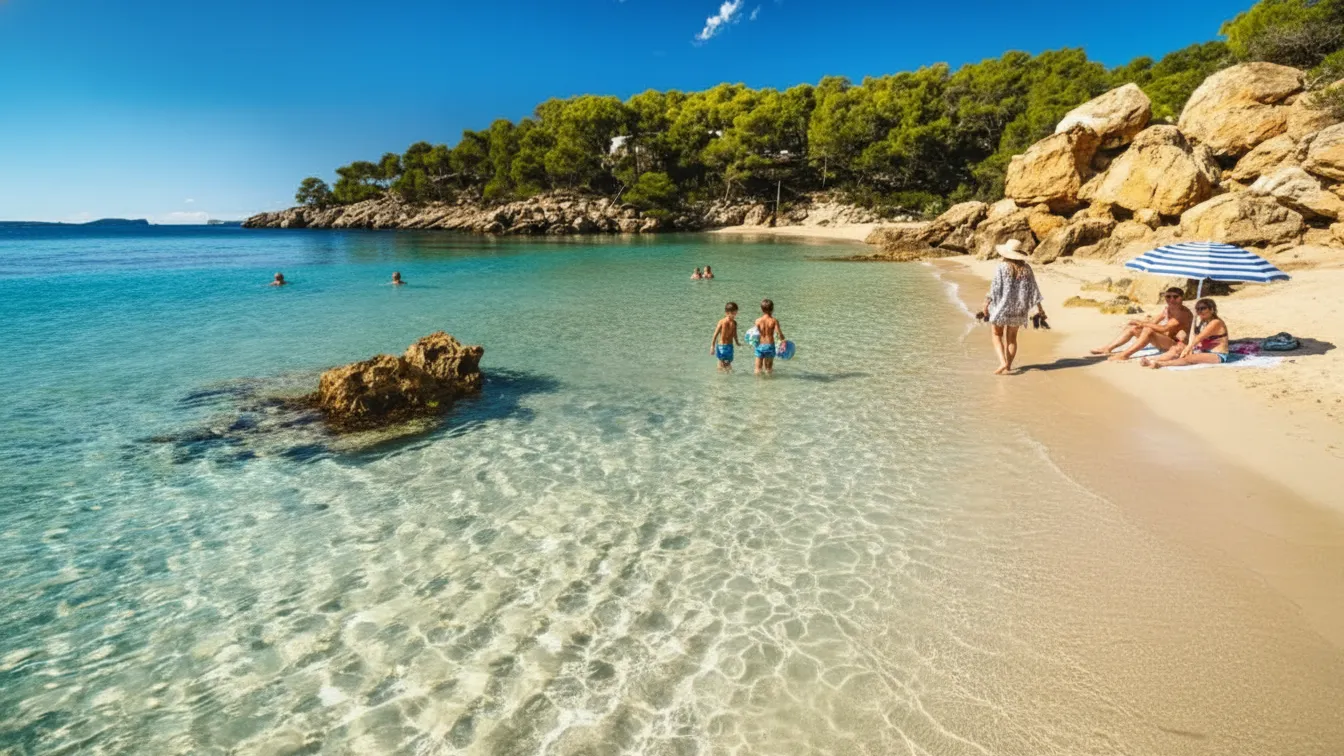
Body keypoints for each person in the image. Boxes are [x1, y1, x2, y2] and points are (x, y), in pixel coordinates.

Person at [980, 239, 1045, 375]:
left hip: (1002, 307)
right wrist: (1040, 308)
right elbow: (1034, 290)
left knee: (996, 334)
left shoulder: (1002, 267)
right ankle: (1008, 366)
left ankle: (1003, 362)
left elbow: (995, 288)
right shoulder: (1027, 269)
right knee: (1012, 338)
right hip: (1019, 309)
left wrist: (986, 303)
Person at [1093, 287, 1192, 360]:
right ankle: (1107, 348)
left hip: (1176, 344)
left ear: (1182, 298)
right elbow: (1153, 322)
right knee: (1134, 328)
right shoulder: (1168, 309)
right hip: (1164, 339)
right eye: (1168, 296)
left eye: (1175, 297)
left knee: (1148, 329)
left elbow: (1164, 328)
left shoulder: (1183, 314)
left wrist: (1143, 324)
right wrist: (1139, 324)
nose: (1171, 299)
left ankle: (1125, 355)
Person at [1140, 298, 1230, 369]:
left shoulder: (1216, 322)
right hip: (1203, 350)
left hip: (1218, 355)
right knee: (1177, 348)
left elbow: (1199, 337)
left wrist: (1188, 348)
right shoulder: (1204, 321)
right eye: (1198, 309)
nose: (1200, 311)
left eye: (1203, 309)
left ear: (1212, 310)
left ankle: (1160, 364)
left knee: (1190, 358)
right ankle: (1151, 359)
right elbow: (1194, 335)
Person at [754, 298, 785, 376]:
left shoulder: (757, 321)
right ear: (772, 309)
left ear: (761, 309)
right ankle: (768, 385)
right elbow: (778, 334)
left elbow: (755, 334)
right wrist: (783, 340)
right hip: (769, 346)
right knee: (768, 369)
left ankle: (758, 384)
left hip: (759, 345)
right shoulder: (774, 321)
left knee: (758, 368)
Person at [710, 302, 742, 372]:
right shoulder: (722, 322)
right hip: (722, 346)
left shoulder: (734, 323)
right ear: (727, 313)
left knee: (727, 363)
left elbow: (735, 334)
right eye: (733, 313)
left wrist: (737, 342)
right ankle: (721, 377)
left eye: (735, 313)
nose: (734, 315)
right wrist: (712, 346)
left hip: (730, 346)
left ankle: (726, 376)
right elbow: (715, 334)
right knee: (721, 362)